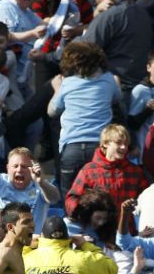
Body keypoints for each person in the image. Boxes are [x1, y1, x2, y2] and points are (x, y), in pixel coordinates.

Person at [47, 41, 122, 195]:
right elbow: (117, 98)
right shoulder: (108, 79)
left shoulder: (67, 83)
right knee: (99, 199)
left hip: (71, 148)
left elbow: (52, 111)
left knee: (70, 200)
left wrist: (57, 89)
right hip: (99, 148)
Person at [65, 124, 149, 234]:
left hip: (126, 233)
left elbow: (147, 198)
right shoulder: (89, 171)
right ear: (105, 144)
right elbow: (71, 199)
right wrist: (84, 212)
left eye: (126, 144)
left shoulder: (135, 171)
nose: (124, 147)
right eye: (119, 143)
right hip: (97, 233)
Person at [79, 0, 153, 92]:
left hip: (116, 84)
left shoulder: (108, 16)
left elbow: (86, 48)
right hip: (142, 82)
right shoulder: (142, 12)